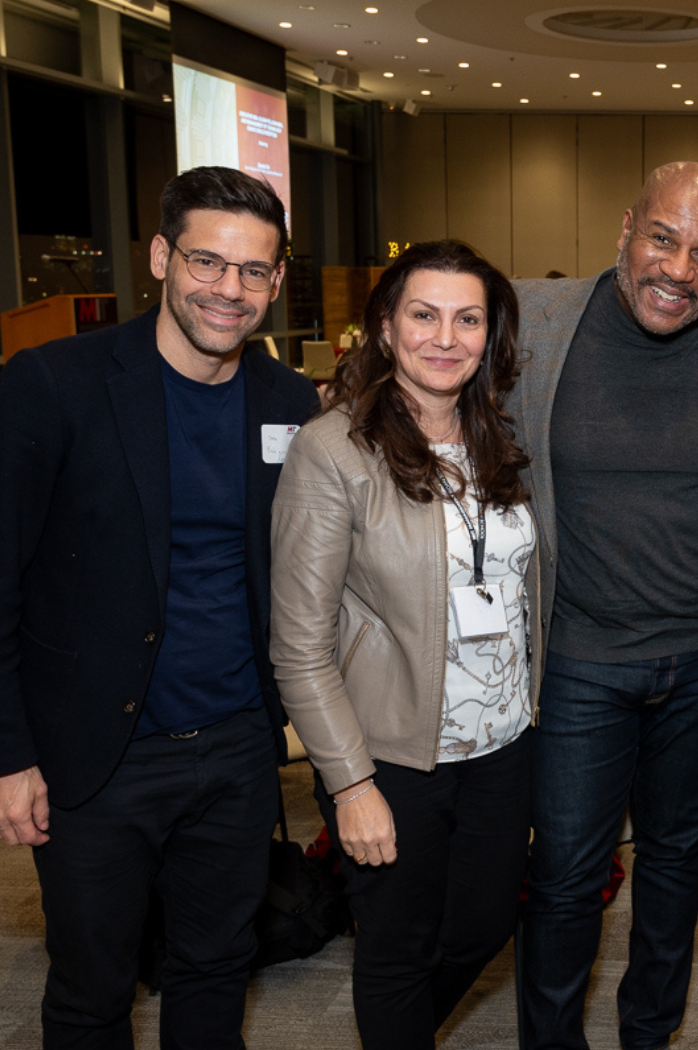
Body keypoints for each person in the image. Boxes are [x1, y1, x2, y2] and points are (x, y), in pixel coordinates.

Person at [0, 166, 319, 1048]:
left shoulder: (289, 402)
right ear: (159, 258)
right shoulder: (53, 384)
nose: (229, 289)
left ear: (277, 280)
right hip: (96, 757)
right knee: (92, 988)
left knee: (216, 968)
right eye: (207, 262)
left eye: (255, 270)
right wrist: (10, 754)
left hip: (238, 749)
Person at [268, 240, 539, 1049]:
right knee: (396, 948)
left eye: (468, 319)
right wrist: (350, 786)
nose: (445, 337)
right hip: (391, 757)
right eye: (424, 315)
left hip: (500, 743)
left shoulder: (501, 437)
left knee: (486, 921)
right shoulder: (334, 449)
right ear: (387, 328)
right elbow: (299, 643)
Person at [509, 161, 698, 1050]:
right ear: (625, 226)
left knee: (675, 859)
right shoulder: (534, 320)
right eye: (663, 239)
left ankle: (650, 1034)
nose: (678, 270)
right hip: (579, 660)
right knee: (569, 876)